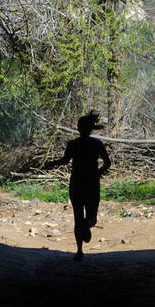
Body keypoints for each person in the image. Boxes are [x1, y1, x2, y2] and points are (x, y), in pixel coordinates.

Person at [44, 110, 111, 261]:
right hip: (92, 183)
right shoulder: (97, 144)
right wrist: (98, 173)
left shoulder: (73, 144)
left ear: (78, 129)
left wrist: (51, 163)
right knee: (92, 217)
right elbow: (108, 163)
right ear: (90, 129)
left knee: (77, 217)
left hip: (76, 184)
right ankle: (87, 225)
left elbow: (64, 161)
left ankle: (79, 250)